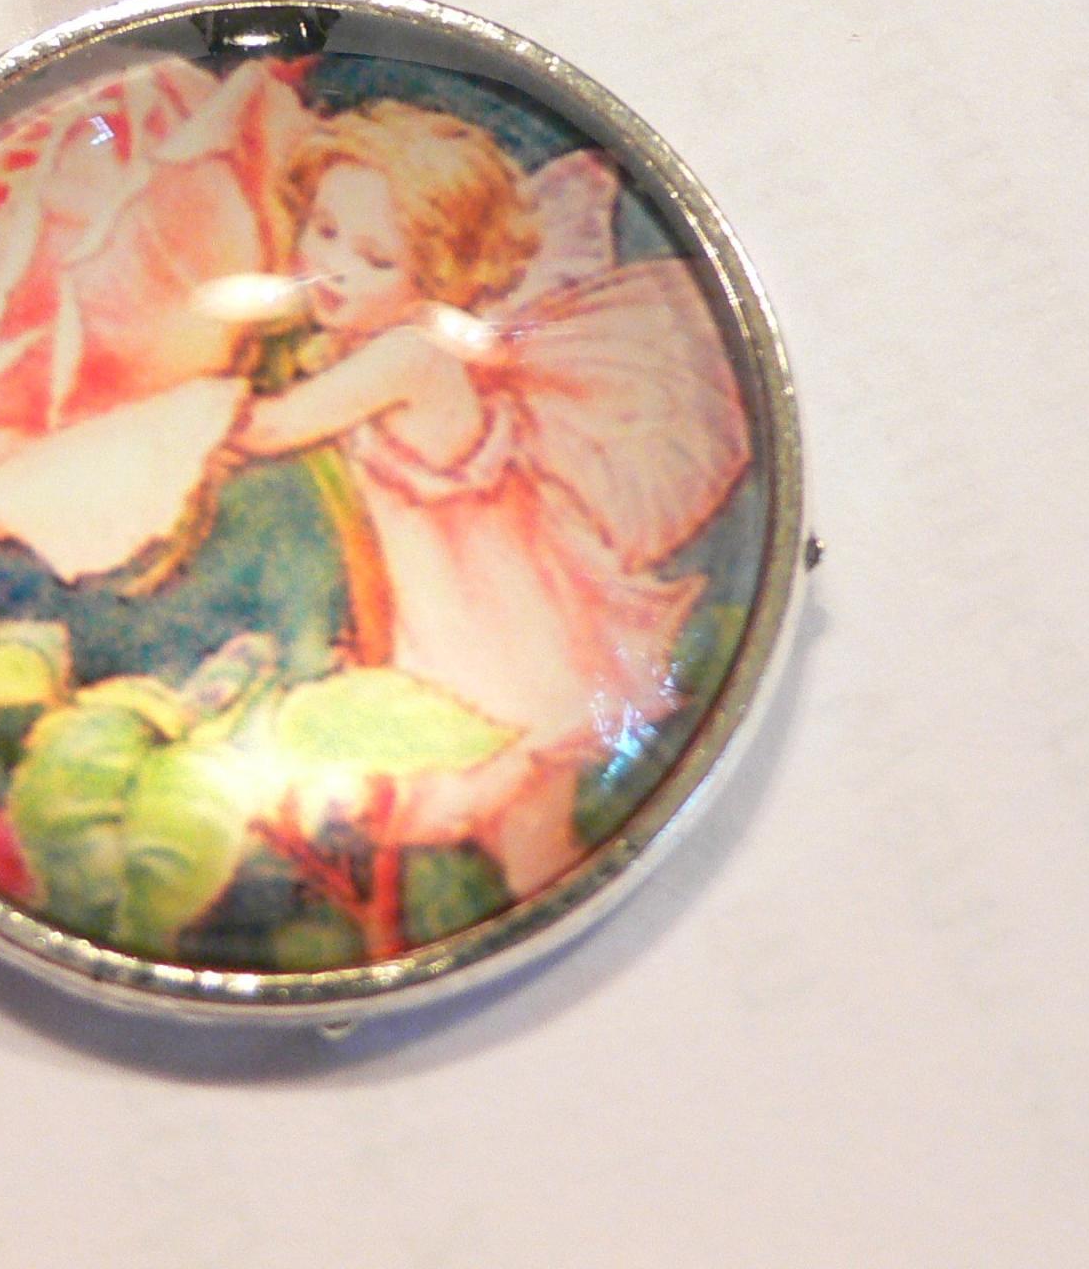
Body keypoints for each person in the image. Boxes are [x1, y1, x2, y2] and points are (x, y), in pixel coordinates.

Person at [229, 100, 751, 897]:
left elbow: (269, 429)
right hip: (463, 618)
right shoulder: (374, 342)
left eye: (375, 258)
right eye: (324, 229)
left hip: (510, 637)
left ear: (435, 275)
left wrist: (172, 400)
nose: (332, 267)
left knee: (533, 846)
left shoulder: (410, 354)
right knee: (516, 840)